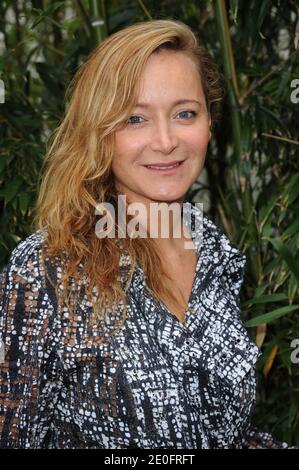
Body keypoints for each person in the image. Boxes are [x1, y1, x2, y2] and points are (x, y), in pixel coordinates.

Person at [0, 19, 293, 449]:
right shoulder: (47, 269)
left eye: (185, 114)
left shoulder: (216, 255)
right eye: (135, 118)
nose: (165, 140)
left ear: (210, 122)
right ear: (99, 132)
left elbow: (223, 435)